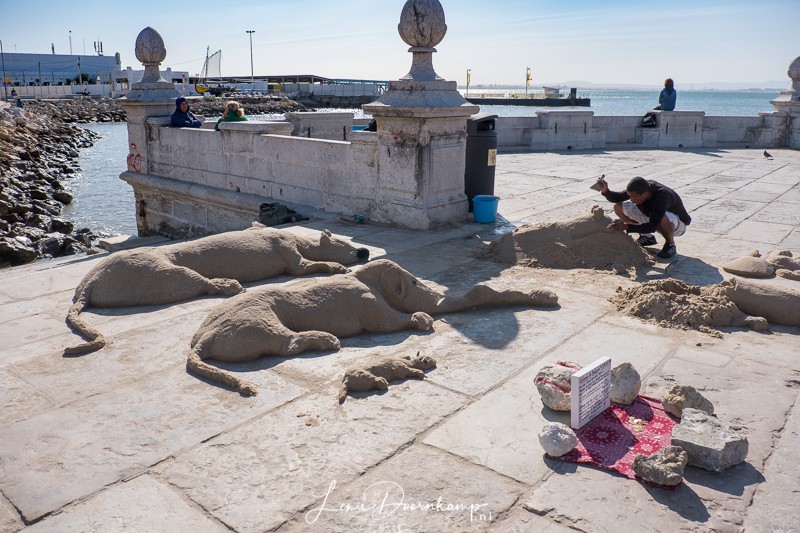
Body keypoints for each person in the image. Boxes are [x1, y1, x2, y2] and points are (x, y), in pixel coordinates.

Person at [597, 175, 691, 259]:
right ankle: (647, 237)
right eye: (630, 196)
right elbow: (618, 198)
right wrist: (606, 191)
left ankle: (670, 245)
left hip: (677, 225)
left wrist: (626, 226)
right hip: (652, 216)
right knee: (618, 207)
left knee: (662, 217)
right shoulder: (640, 187)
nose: (632, 200)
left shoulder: (662, 196)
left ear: (645, 194)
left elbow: (652, 226)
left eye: (634, 197)